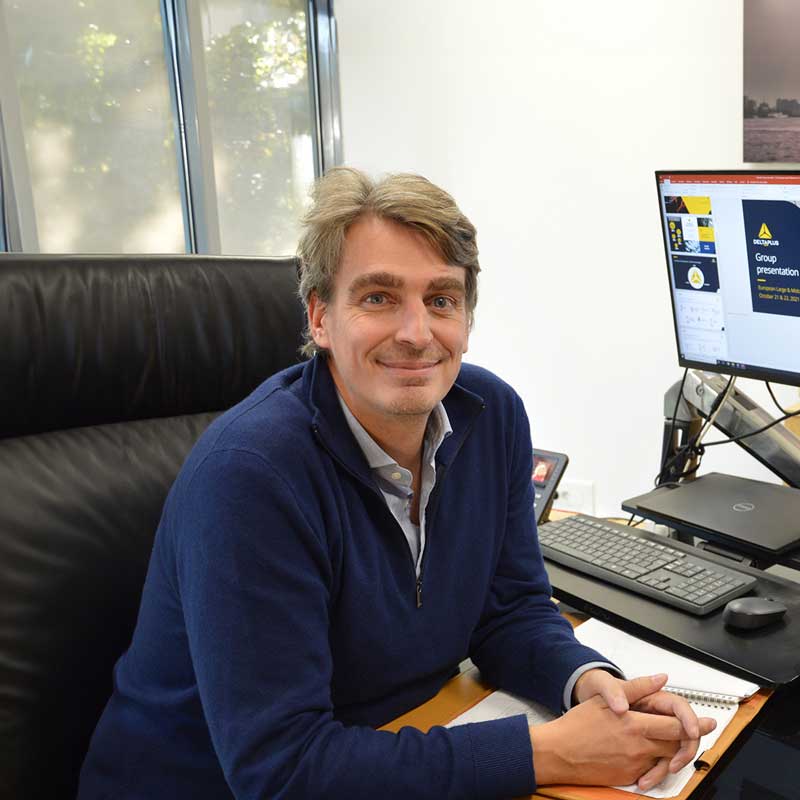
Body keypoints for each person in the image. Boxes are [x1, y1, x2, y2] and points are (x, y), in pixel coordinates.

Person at [79, 168, 715, 799]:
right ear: (321, 319)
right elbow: (280, 770)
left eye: (441, 299)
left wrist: (585, 682)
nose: (416, 334)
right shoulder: (250, 475)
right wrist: (547, 754)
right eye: (378, 297)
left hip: (394, 742)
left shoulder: (491, 417)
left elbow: (511, 609)